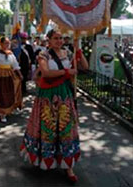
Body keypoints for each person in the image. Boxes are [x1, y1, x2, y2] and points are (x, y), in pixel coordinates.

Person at [20, 29, 88, 183]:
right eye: (56, 38)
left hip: (64, 95)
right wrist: (66, 72)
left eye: (61, 38)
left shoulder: (68, 53)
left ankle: (68, 166)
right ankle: (43, 158)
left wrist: (79, 51)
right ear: (49, 40)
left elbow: (84, 66)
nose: (59, 41)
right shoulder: (43, 55)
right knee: (47, 127)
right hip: (47, 96)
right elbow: (46, 73)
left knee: (66, 128)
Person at [0, 37, 23, 123]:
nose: (7, 45)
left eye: (8, 43)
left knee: (10, 91)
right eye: (5, 43)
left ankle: (9, 109)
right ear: (1, 44)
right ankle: (2, 113)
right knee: (1, 93)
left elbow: (15, 65)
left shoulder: (11, 54)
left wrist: (20, 74)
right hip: (0, 75)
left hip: (9, 74)